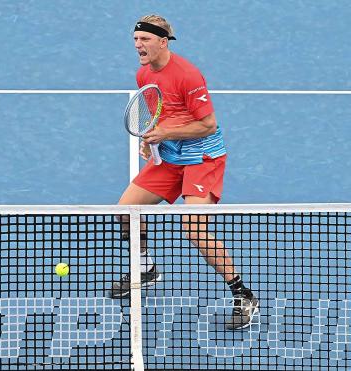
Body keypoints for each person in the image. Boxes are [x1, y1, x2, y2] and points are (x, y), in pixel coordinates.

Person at [109, 15, 259, 330]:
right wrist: (151, 140)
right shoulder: (143, 74)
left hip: (202, 157)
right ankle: (145, 267)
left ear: (163, 41)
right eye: (136, 40)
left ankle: (243, 294)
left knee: (193, 229)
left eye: (145, 40)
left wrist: (164, 134)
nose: (138, 45)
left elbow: (208, 125)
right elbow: (157, 111)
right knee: (126, 210)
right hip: (172, 155)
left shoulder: (188, 75)